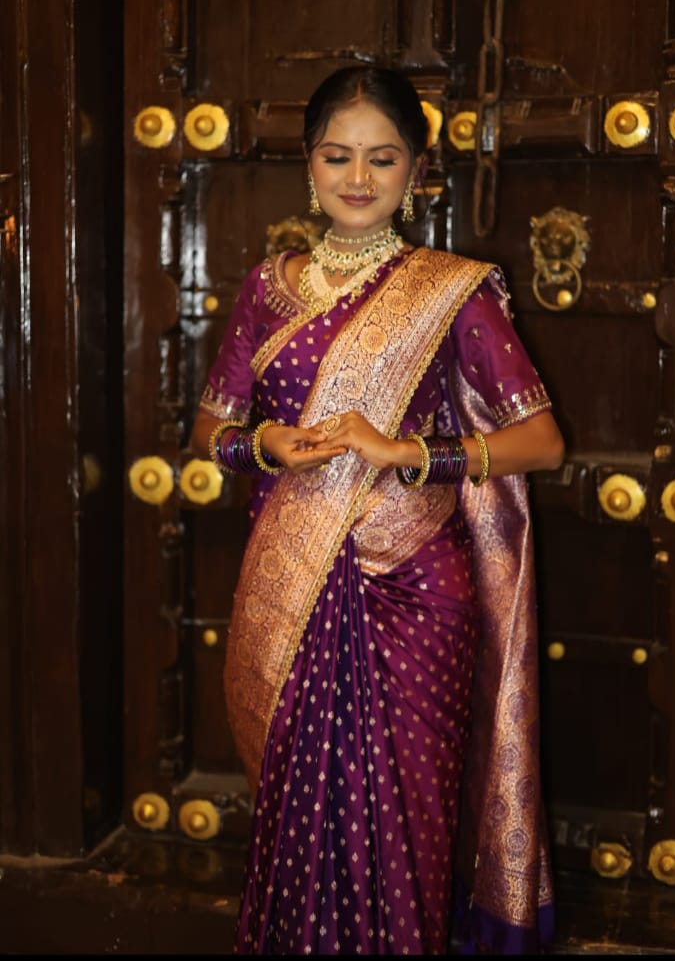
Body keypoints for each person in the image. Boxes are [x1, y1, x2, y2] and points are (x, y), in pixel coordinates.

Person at [189, 65, 565, 956]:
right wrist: (262, 444)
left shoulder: (453, 289)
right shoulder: (267, 287)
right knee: (300, 811)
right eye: (338, 156)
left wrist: (410, 453)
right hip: (292, 580)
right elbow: (206, 429)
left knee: (407, 817)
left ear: (416, 170)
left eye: (383, 158)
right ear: (308, 164)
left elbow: (542, 442)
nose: (358, 178)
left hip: (415, 590)